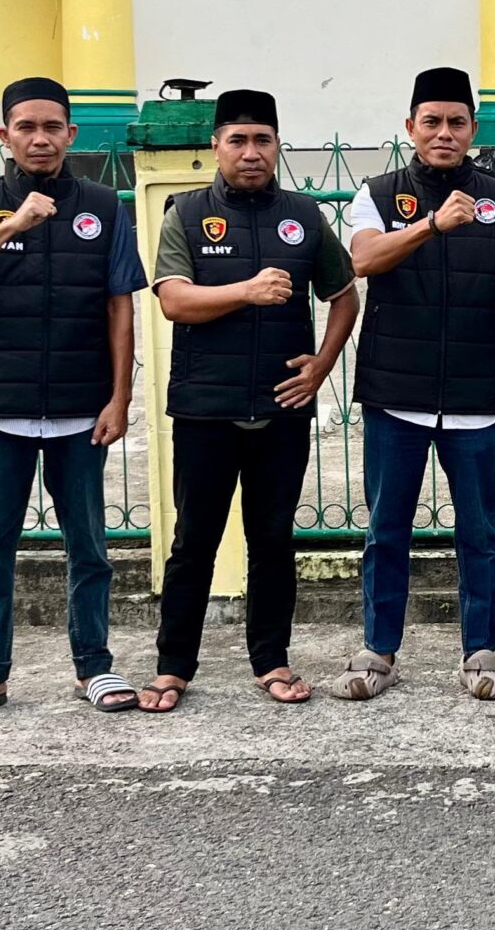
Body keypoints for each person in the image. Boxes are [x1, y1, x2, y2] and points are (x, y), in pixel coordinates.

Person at [0, 77, 144, 723]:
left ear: (70, 134)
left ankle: (94, 666)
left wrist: (119, 397)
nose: (40, 138)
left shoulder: (104, 205)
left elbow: (120, 305)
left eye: (53, 127)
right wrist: (12, 226)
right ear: (5, 135)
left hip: (81, 407)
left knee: (90, 547)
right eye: (26, 127)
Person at [331, 67, 495, 703]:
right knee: (386, 530)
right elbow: (362, 260)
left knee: (480, 533)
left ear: (473, 129)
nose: (444, 133)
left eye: (456, 122)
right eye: (432, 122)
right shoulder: (378, 194)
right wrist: (431, 225)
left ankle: (481, 651)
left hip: (476, 399)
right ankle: (378, 651)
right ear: (410, 127)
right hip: (395, 395)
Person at [150, 89, 359, 711]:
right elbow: (174, 301)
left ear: (277, 147)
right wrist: (246, 290)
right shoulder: (187, 214)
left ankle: (272, 660)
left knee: (272, 540)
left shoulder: (304, 215)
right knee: (194, 542)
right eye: (237, 140)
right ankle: (173, 667)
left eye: (262, 140)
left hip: (281, 409)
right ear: (216, 146)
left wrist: (322, 364)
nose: (250, 152)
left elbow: (344, 295)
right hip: (204, 409)